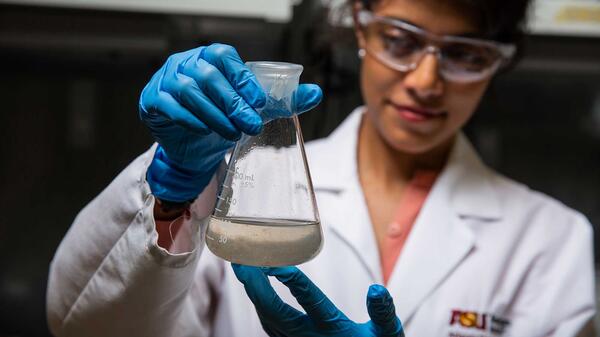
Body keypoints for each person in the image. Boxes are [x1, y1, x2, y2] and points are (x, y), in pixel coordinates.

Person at [46, 0, 597, 335]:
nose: (426, 81)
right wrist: (171, 191)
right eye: (400, 41)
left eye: (465, 55)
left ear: (498, 63)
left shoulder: (551, 241)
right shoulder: (231, 191)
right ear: (362, 29)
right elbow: (87, 327)